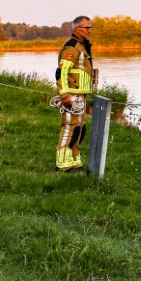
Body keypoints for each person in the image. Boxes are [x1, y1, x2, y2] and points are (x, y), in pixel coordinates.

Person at [54, 16, 96, 172]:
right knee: (70, 128)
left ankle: (74, 161)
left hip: (80, 94)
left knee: (80, 128)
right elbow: (62, 71)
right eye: (87, 28)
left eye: (91, 28)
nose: (89, 31)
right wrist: (65, 95)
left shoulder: (82, 46)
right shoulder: (72, 46)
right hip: (72, 94)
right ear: (77, 28)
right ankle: (62, 164)